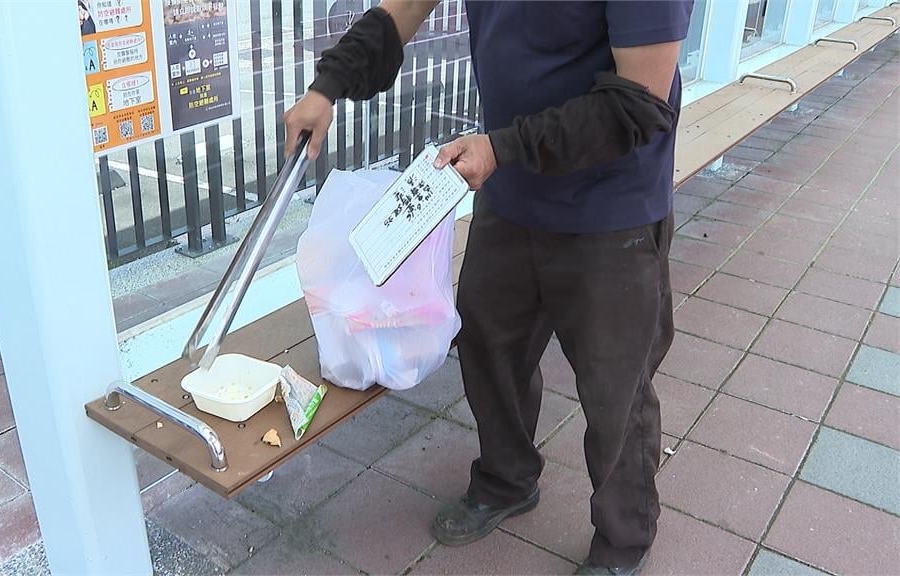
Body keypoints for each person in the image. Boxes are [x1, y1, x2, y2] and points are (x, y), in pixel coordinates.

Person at [284, 1, 692, 574]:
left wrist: (502, 148)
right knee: (489, 348)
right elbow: (402, 10)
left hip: (610, 211)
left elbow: (639, 106)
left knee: (616, 387)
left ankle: (624, 538)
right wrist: (326, 86)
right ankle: (508, 479)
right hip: (512, 191)